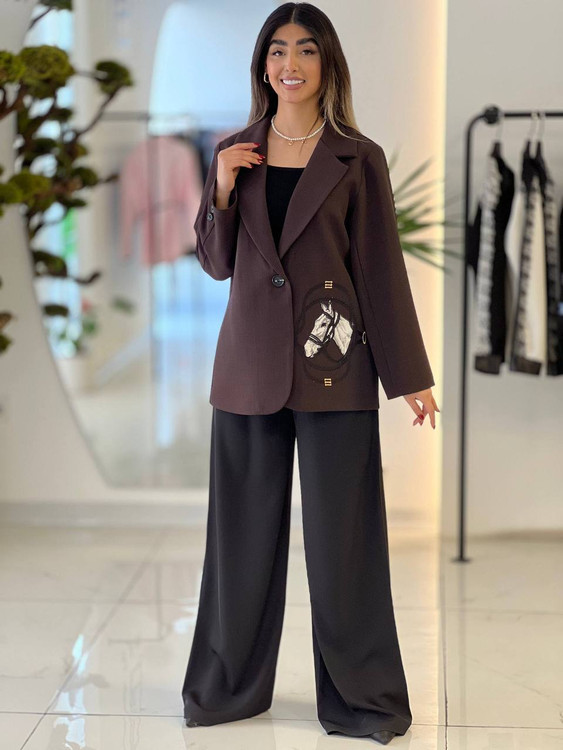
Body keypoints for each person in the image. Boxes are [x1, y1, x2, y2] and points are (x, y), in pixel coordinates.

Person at [181, 2, 440, 745]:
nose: (289, 64)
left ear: (327, 63)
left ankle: (363, 701)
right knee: (239, 544)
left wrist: (408, 375)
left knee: (344, 548)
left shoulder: (358, 158)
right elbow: (216, 263)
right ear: (262, 65)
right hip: (248, 371)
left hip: (336, 368)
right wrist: (220, 188)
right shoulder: (233, 151)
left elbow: (380, 273)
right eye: (277, 50)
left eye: (305, 50)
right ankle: (226, 689)